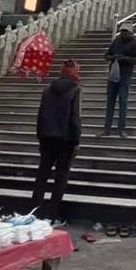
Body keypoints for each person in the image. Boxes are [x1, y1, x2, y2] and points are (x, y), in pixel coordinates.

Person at [31, 58, 81, 223]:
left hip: (46, 138)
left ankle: (35, 212)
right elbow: (74, 118)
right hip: (65, 140)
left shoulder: (47, 89)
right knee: (61, 177)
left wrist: (40, 137)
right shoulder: (74, 90)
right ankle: (52, 215)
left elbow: (40, 115)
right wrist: (76, 142)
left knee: (42, 175)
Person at [102, 26, 136, 137]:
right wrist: (112, 57)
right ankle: (107, 129)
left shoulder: (134, 43)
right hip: (114, 73)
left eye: (125, 32)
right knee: (110, 101)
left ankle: (122, 129)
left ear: (130, 33)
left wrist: (125, 58)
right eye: (122, 32)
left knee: (123, 101)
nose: (123, 34)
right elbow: (106, 55)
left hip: (125, 73)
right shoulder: (116, 41)